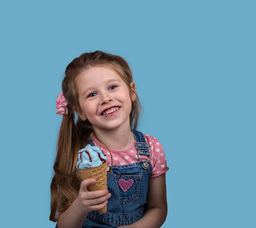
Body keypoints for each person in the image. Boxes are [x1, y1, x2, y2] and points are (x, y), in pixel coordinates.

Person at [49, 51, 169, 228]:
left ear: (131, 91)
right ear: (80, 111)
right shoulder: (81, 154)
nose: (106, 98)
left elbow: (158, 208)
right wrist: (80, 207)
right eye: (91, 94)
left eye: (112, 87)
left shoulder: (152, 148)